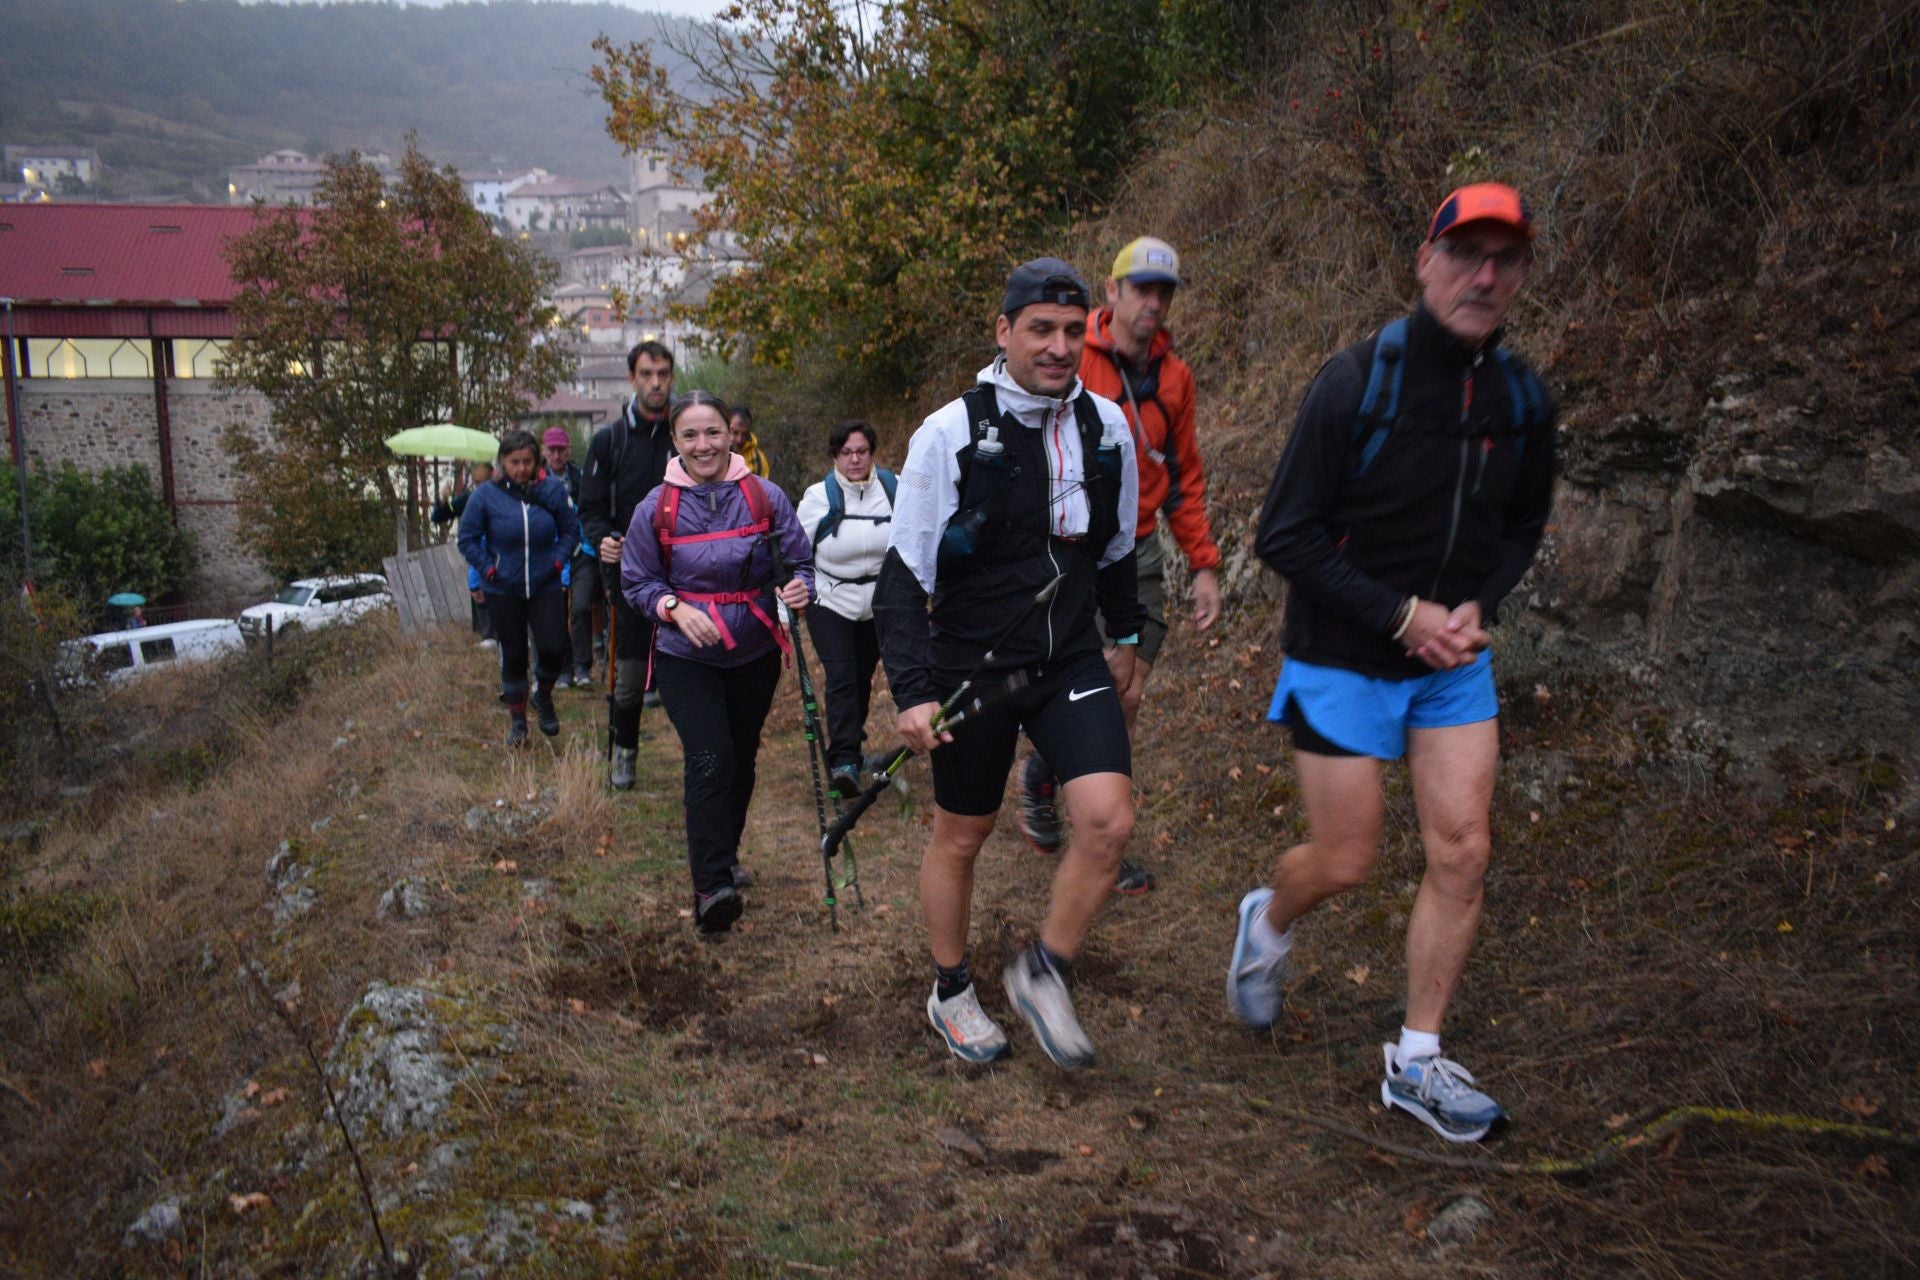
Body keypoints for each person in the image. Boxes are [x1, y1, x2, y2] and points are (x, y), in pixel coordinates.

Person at [1227, 183, 1557, 1143]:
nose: (1483, 276)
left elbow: (1525, 523)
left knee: (1463, 848)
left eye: (1505, 260)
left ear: (1523, 274)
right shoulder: (1357, 380)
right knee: (1348, 857)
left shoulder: (1525, 399)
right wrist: (1399, 613)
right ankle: (1269, 921)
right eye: (1465, 254)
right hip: (1340, 654)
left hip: (1451, 663)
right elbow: (1282, 534)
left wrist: (1472, 610)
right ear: (1426, 260)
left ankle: (1417, 1059)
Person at [874, 257, 1143, 1070]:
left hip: (1068, 657)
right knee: (964, 834)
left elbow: (1122, 549)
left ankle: (1044, 969)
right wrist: (914, 693)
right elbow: (902, 577)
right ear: (1004, 333)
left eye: (1071, 331)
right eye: (1040, 331)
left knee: (1108, 820)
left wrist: (1126, 637)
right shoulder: (950, 431)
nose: (1058, 348)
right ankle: (950, 988)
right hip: (972, 664)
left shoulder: (1107, 427)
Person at [1018, 236, 1224, 896]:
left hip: (1135, 551)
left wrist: (1204, 566)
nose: (1153, 304)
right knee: (1093, 687)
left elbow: (1185, 478)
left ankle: (1084, 820)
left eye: (1164, 292)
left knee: (1125, 692)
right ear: (1114, 292)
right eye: (1142, 289)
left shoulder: (1176, 379)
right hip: (1072, 551)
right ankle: (1068, 799)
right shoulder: (1072, 357)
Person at [621, 391, 814, 934]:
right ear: (675, 442)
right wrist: (675, 609)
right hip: (687, 656)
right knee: (710, 757)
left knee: (742, 758)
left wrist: (802, 589)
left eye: (713, 433)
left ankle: (723, 856)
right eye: (690, 435)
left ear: (731, 435)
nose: (703, 445)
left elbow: (800, 563)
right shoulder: (654, 508)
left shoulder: (765, 496)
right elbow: (637, 583)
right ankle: (711, 890)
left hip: (754, 653)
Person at [579, 340, 677, 789]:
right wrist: (603, 541)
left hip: (691, 571)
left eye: (662, 373)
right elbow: (591, 508)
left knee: (693, 670)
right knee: (631, 674)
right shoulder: (609, 441)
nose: (655, 383)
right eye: (646, 374)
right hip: (632, 576)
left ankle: (705, 762)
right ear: (632, 378)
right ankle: (624, 753)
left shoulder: (688, 433)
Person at [458, 430, 583, 747]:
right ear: (502, 462)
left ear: (536, 460)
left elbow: (571, 529)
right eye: (514, 462)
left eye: (527, 461)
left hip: (546, 583)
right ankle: (518, 723)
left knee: (553, 648)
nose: (521, 468)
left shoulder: (552, 490)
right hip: (504, 587)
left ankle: (543, 695)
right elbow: (468, 539)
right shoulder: (486, 495)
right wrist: (488, 568)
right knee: (513, 655)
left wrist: (557, 561)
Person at [795, 421, 895, 797]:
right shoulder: (818, 497)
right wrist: (789, 595)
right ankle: (843, 762)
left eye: (862, 451)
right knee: (841, 676)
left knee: (862, 676)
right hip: (830, 599)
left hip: (879, 602)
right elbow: (797, 551)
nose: (855, 459)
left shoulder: (892, 489)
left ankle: (852, 747)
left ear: (872, 453)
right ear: (835, 456)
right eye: (846, 453)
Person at [539, 426, 591, 689]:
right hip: (550, 553)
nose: (557, 455)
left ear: (568, 450)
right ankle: (564, 668)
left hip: (581, 552)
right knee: (555, 611)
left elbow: (593, 509)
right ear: (544, 450)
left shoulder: (580, 477)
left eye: (561, 450)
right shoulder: (535, 479)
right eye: (552, 450)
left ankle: (583, 666)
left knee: (580, 607)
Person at [728, 404, 773, 478]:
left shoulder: (758, 461)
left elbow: (763, 488)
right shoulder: (714, 454)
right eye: (735, 433)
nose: (739, 440)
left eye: (744, 434)